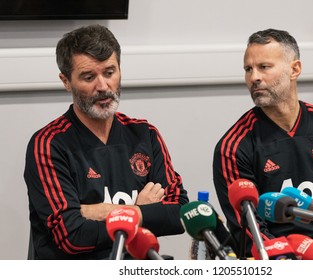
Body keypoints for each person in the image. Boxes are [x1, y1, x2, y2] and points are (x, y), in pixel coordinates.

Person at [24, 24, 189, 259]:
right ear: (66, 81)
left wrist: (105, 212)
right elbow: (72, 236)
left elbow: (179, 213)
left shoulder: (145, 134)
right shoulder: (48, 144)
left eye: (109, 73)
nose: (102, 87)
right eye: (89, 77)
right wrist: (141, 211)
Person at [213, 28, 313, 258]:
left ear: (294, 69)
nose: (254, 77)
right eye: (248, 69)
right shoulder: (233, 146)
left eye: (264, 67)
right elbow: (250, 230)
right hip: (274, 262)